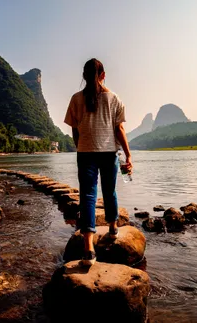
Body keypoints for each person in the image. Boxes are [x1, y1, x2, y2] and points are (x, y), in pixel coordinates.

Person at [64, 58, 132, 266]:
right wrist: (129, 156)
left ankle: (88, 249)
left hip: (85, 153)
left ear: (84, 77)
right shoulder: (114, 99)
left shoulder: (76, 99)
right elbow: (119, 130)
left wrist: (80, 145)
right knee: (109, 191)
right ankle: (113, 228)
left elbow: (74, 129)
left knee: (87, 197)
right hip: (108, 152)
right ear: (103, 75)